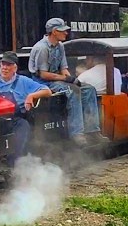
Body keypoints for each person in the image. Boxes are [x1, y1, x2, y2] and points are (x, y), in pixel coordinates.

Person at [28, 17, 109, 146]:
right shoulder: (42, 48)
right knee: (73, 91)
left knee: (89, 89)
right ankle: (77, 133)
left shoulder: (60, 46)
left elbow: (63, 68)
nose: (66, 33)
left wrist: (73, 79)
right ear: (54, 32)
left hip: (57, 79)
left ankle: (93, 130)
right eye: (63, 31)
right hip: (43, 82)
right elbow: (43, 74)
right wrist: (67, 80)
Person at [0, 51, 52, 165]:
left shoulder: (23, 81)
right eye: (3, 64)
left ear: (15, 68)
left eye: (8, 65)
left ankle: (16, 166)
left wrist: (31, 96)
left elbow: (47, 91)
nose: (5, 68)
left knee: (23, 129)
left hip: (14, 121)